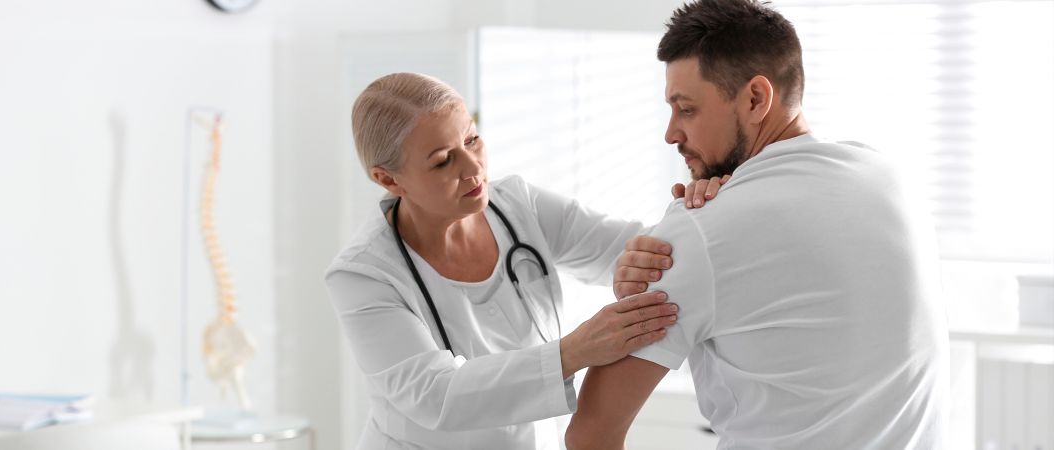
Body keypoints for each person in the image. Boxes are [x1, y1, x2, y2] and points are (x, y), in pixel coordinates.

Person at [566, 1, 949, 449]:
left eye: (685, 109)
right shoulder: (887, 178)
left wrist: (693, 226)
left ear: (755, 99)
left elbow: (590, 435)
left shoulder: (697, 232)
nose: (671, 133)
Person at [325, 72, 724, 449]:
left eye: (472, 139)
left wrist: (705, 208)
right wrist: (575, 351)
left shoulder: (517, 205)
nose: (473, 168)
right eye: (443, 160)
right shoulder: (363, 275)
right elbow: (434, 396)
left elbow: (642, 251)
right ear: (389, 180)